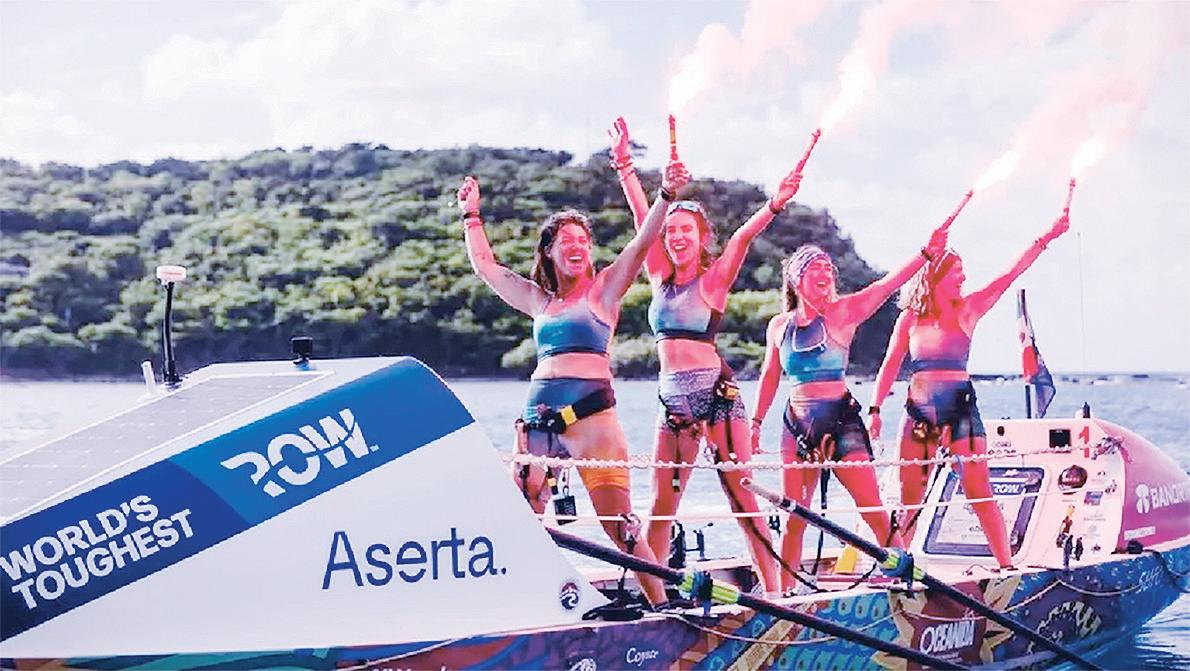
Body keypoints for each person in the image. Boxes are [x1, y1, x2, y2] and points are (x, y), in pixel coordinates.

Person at [456, 155, 690, 606]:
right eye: (566, 240)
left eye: (583, 239)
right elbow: (486, 266)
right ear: (549, 251)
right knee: (522, 515)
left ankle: (661, 603)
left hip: (591, 420)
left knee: (619, 524)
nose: (576, 246)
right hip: (538, 421)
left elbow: (643, 241)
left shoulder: (605, 290)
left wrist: (664, 195)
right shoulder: (538, 301)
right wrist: (471, 215)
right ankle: (523, 601)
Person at [609, 116, 801, 595]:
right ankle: (653, 594)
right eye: (671, 229)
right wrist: (626, 166)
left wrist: (775, 203)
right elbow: (642, 218)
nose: (676, 236)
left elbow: (742, 239)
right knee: (661, 505)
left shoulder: (713, 280)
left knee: (741, 499)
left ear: (701, 238)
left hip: (716, 397)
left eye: (686, 230)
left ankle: (775, 592)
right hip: (671, 401)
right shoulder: (658, 274)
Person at [750, 226, 948, 593]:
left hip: (841, 423)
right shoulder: (779, 326)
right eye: (816, 268)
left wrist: (925, 254)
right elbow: (769, 376)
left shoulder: (844, 312)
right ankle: (784, 595)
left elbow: (885, 286)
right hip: (797, 427)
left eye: (829, 268)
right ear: (796, 279)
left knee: (872, 508)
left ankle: (907, 577)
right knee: (794, 517)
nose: (825, 273)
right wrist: (755, 423)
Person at [867, 213, 1070, 568]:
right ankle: (899, 568)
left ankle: (1006, 566)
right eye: (957, 272)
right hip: (918, 415)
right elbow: (889, 366)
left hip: (960, 412)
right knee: (910, 498)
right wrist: (874, 410)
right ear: (936, 275)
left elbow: (1010, 273)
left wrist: (1047, 237)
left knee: (978, 492)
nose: (963, 277)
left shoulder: (969, 309)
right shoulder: (910, 318)